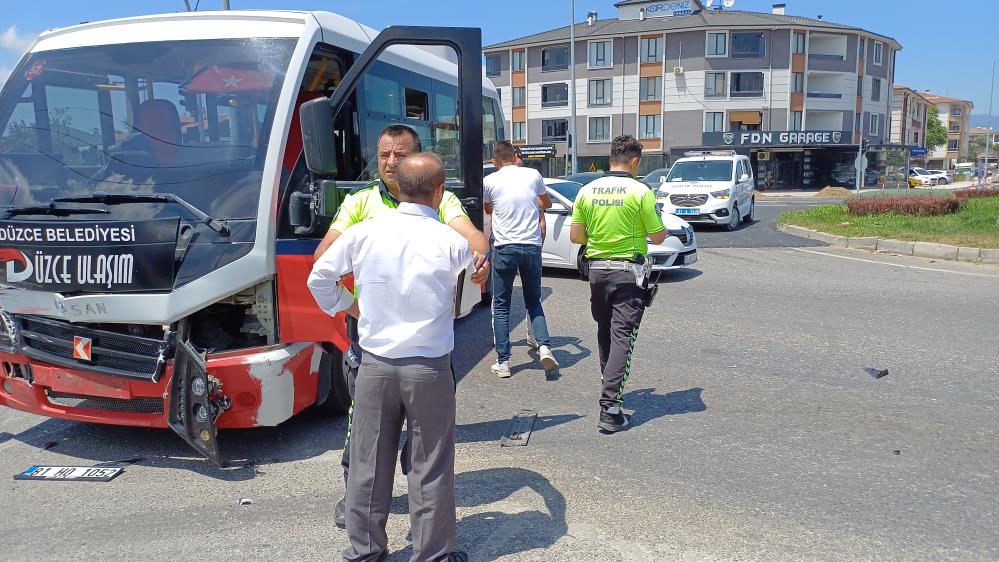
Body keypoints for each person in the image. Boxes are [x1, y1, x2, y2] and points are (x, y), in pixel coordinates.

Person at [313, 124, 489, 529]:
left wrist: (480, 264)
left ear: (415, 157)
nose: (390, 162)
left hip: (427, 345)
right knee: (364, 436)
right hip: (373, 339)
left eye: (399, 154)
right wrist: (355, 309)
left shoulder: (440, 202)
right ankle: (356, 496)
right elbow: (324, 257)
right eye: (384, 154)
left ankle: (411, 510)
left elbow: (476, 242)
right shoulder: (360, 202)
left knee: (422, 442)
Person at [570, 135, 667, 433]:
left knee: (605, 333)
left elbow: (576, 237)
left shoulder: (587, 191)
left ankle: (609, 386)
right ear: (635, 160)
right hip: (628, 274)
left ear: (611, 157)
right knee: (622, 337)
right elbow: (659, 236)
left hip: (597, 274)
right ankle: (610, 409)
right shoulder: (641, 191)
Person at [483, 140, 558, 377]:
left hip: (505, 248)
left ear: (495, 161)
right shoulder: (533, 174)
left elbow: (488, 209)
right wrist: (529, 201)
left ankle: (503, 362)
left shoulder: (490, 181)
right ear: (515, 156)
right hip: (531, 247)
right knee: (533, 301)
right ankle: (544, 347)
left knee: (502, 305)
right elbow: (547, 203)